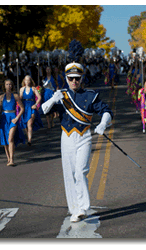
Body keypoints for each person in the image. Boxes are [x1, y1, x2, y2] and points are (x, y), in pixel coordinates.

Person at [42, 62, 113, 223]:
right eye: (71, 78)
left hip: (84, 137)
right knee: (69, 174)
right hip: (66, 137)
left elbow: (107, 111)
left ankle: (83, 207)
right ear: (66, 79)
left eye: (77, 78)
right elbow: (43, 110)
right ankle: (75, 209)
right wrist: (54, 99)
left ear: (82, 78)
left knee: (80, 171)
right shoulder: (61, 95)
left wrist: (103, 123)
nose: (74, 81)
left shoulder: (90, 95)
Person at [0, 79, 25, 166]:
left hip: (13, 118)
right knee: (5, 139)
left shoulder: (16, 96)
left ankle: (12, 160)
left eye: (10, 84)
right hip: (4, 118)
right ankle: (8, 158)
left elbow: (22, 108)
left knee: (10, 138)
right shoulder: (1, 97)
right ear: (4, 86)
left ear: (12, 86)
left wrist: (17, 118)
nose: (8, 86)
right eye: (7, 84)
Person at [19, 75, 43, 146]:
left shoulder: (33, 89)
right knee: (25, 125)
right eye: (26, 80)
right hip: (24, 107)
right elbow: (20, 98)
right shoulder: (22, 89)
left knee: (30, 124)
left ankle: (29, 140)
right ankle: (28, 135)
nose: (27, 81)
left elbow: (39, 97)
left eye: (28, 80)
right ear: (24, 81)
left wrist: (35, 104)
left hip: (31, 107)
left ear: (30, 81)